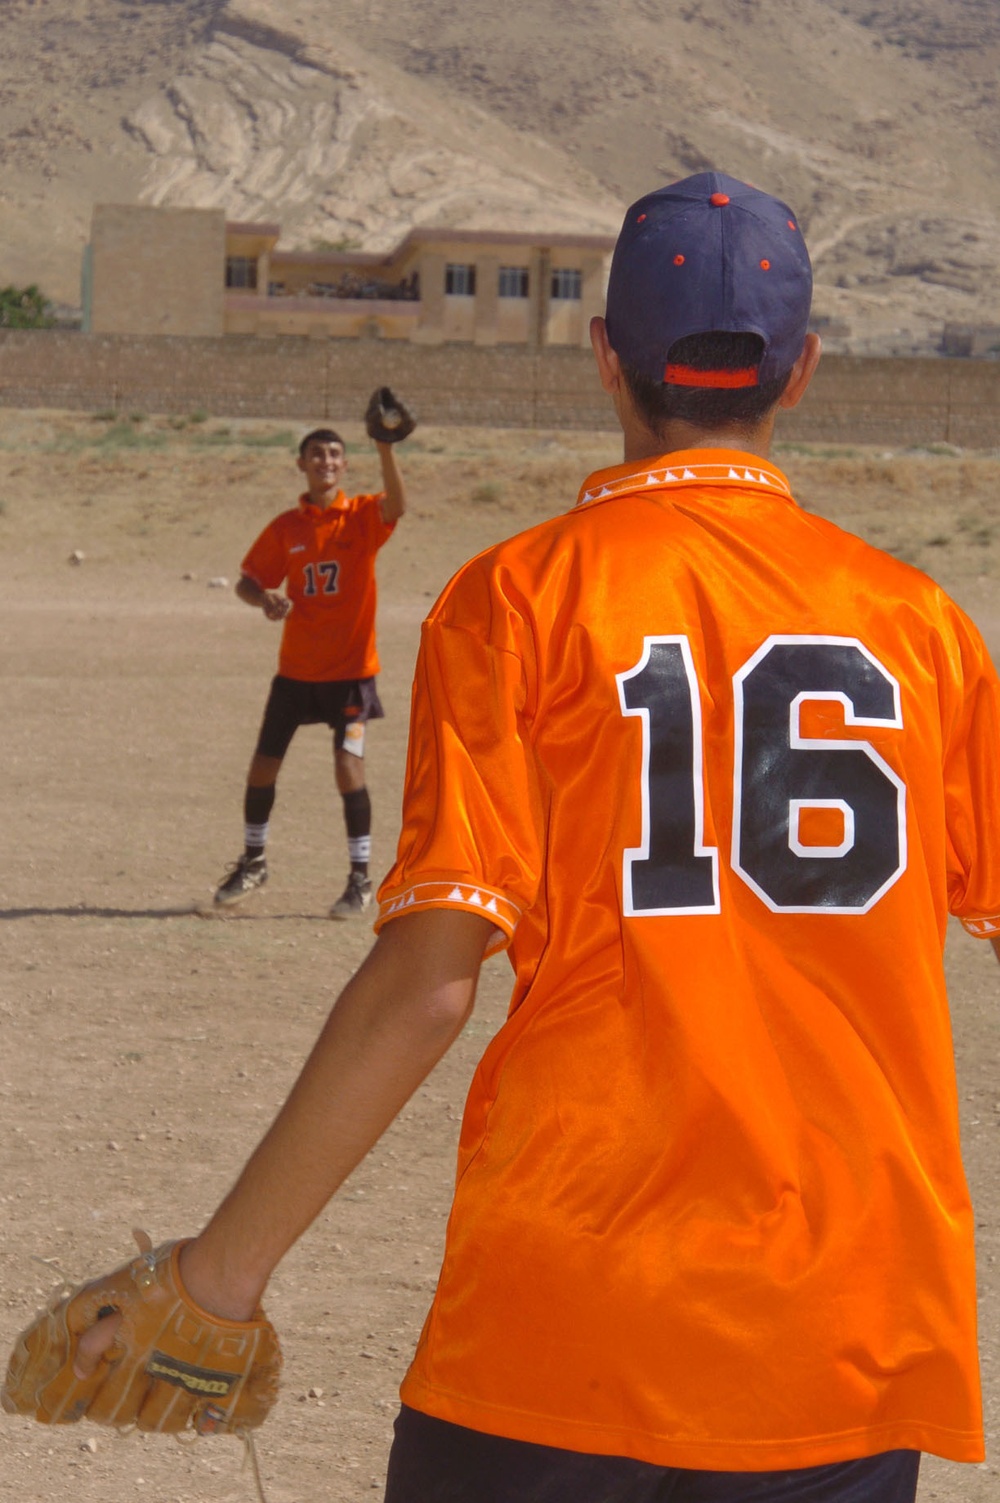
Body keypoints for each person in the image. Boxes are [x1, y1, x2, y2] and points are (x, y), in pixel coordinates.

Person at [81, 174, 999, 1500]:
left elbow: (429, 980)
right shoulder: (924, 629)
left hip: (566, 1312)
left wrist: (220, 1275)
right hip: (841, 1336)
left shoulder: (517, 598)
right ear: (800, 371)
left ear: (603, 356)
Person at [213, 415, 408, 918]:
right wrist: (265, 601)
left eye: (335, 455)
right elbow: (247, 580)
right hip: (297, 671)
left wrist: (384, 447)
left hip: (350, 673)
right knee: (263, 765)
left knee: (348, 768)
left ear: (344, 465)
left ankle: (360, 880)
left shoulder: (362, 517)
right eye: (317, 455)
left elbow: (398, 504)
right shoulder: (287, 527)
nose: (326, 462)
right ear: (302, 464)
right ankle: (253, 861)